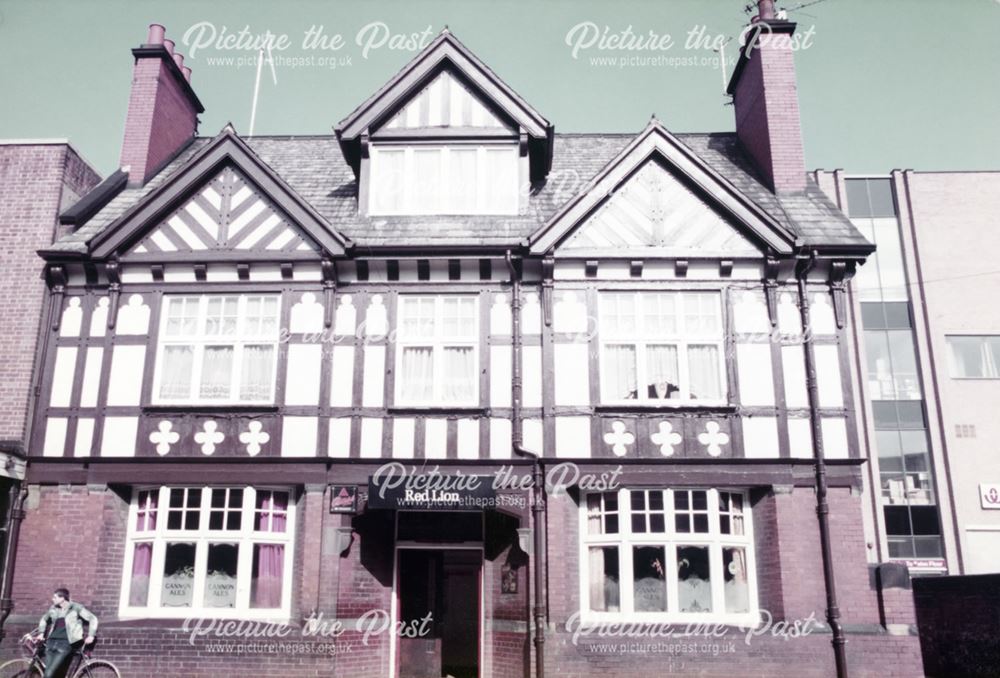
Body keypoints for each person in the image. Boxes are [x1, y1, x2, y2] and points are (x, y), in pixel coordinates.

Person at [23, 588, 98, 678]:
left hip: (65, 643)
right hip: (51, 642)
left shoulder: (76, 607)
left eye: (55, 597)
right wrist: (41, 633)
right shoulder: (53, 608)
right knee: (53, 673)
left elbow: (93, 618)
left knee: (48, 674)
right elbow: (44, 619)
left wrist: (91, 635)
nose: (52, 599)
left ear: (62, 598)